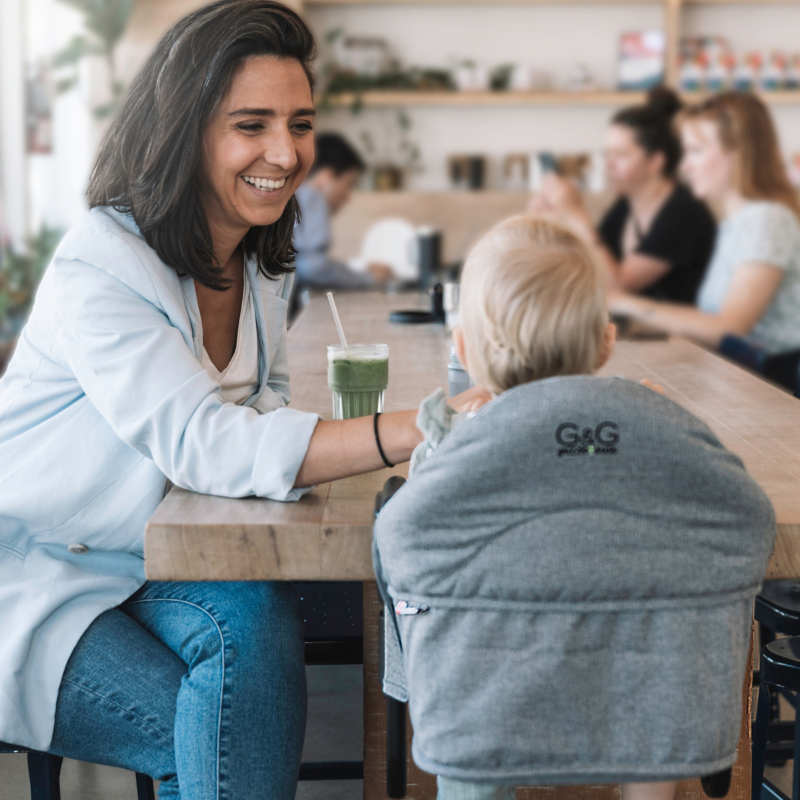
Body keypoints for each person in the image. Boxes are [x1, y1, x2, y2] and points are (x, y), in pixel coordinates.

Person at [0, 2, 487, 798]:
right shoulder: (102, 264)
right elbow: (206, 442)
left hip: (155, 559)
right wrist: (423, 426)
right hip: (38, 571)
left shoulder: (259, 258)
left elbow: (264, 407)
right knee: (220, 734)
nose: (286, 153)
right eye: (251, 125)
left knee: (257, 621)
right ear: (184, 131)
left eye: (300, 124)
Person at [373, 216, 775, 800]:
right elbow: (745, 516)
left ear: (462, 348)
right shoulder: (658, 433)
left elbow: (404, 533)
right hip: (649, 674)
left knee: (465, 712)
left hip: (481, 687)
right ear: (606, 342)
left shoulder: (452, 447)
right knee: (657, 676)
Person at [609, 91, 800, 353]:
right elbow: (709, 322)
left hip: (771, 376)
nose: (685, 166)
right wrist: (637, 325)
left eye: (696, 151)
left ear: (739, 152)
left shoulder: (767, 220)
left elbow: (731, 329)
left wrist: (626, 303)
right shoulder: (736, 223)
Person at [529, 87, 716, 303]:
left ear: (656, 162)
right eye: (607, 154)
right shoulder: (626, 205)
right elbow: (590, 263)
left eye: (620, 155)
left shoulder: (684, 213)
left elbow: (619, 285)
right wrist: (553, 220)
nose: (609, 165)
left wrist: (576, 213)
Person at [292, 132, 393, 292]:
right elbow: (313, 267)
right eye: (349, 183)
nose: (347, 196)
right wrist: (368, 278)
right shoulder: (312, 197)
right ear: (326, 177)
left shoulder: (293, 197)